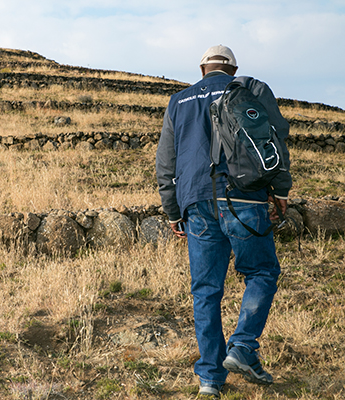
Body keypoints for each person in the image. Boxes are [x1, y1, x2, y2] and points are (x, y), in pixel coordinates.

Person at [155, 45, 291, 397]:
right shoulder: (250, 89)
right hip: (244, 195)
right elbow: (274, 138)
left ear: (202, 68)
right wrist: (280, 190)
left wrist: (173, 211)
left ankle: (210, 381)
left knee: (206, 291)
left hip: (196, 201)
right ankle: (243, 347)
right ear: (232, 69)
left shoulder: (179, 101)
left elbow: (165, 163)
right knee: (261, 272)